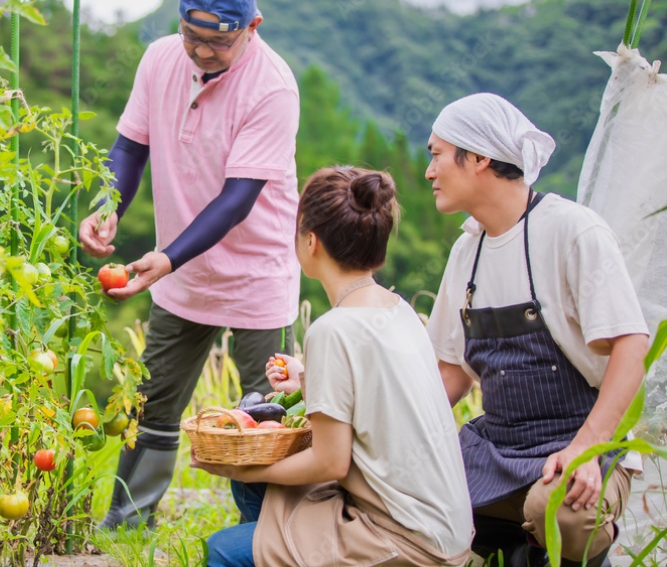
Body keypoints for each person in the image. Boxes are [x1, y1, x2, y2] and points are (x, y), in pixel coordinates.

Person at [78, 0, 301, 529]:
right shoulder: (158, 60)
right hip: (181, 273)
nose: (202, 51)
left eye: (219, 42)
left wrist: (169, 256)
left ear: (252, 27)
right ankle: (129, 520)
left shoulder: (273, 87)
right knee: (151, 400)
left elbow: (237, 198)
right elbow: (129, 149)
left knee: (267, 414)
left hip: (256, 275)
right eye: (190, 36)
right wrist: (107, 208)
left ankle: (275, 532)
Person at [195, 167, 474, 567]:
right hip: (445, 529)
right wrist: (309, 377)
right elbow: (374, 393)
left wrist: (238, 471)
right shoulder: (400, 310)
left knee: (222, 549)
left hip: (406, 541)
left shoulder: (332, 329)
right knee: (257, 493)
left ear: (310, 241)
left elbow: (331, 462)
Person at [424, 93, 650, 567]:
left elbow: (632, 347)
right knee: (405, 490)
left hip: (584, 443)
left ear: (480, 157)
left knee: (562, 515)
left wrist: (588, 447)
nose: (429, 171)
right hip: (498, 446)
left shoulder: (572, 231)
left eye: (437, 154)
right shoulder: (467, 253)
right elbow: (450, 376)